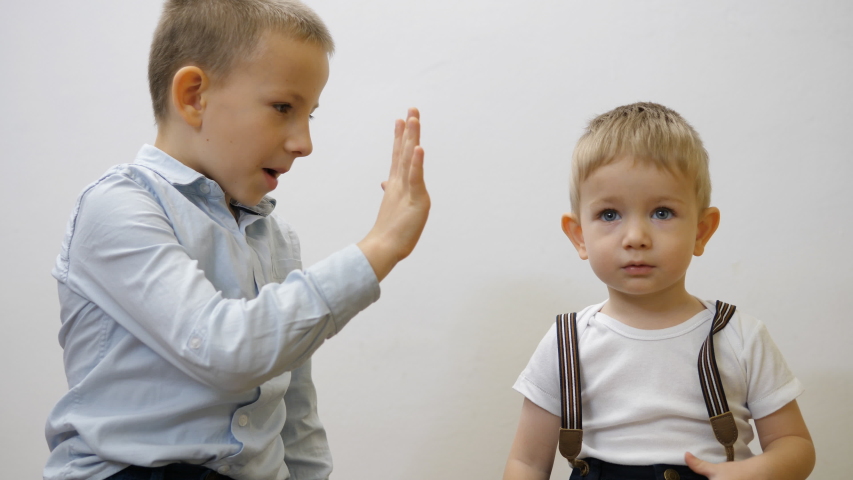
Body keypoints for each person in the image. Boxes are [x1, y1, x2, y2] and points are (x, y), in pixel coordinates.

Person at [44, 1, 429, 479]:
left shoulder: (276, 238)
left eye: (310, 114)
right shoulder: (119, 206)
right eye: (284, 107)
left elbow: (294, 409)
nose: (304, 141)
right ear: (193, 96)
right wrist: (380, 246)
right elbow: (223, 349)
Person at [502, 103, 814, 480]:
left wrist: (757, 472)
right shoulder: (566, 342)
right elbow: (527, 463)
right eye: (610, 215)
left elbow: (794, 445)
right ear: (579, 236)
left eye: (662, 213)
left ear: (701, 231)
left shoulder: (739, 336)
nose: (636, 238)